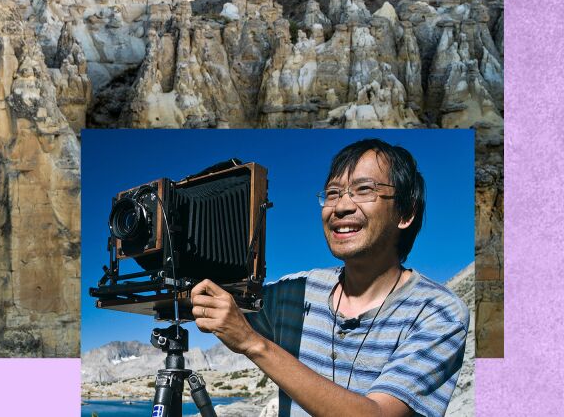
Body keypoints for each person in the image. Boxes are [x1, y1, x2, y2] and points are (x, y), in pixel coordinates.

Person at [188, 139, 468, 417]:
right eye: (333, 193)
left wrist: (253, 343)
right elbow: (217, 302)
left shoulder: (438, 312)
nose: (341, 206)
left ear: (405, 213)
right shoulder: (296, 292)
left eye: (363, 190)